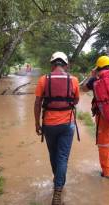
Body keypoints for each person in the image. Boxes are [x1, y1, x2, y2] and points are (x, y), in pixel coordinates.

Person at [34, 51, 79, 205]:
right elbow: (76, 100)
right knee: (62, 158)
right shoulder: (73, 80)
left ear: (52, 65)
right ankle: (58, 190)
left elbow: (37, 103)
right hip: (67, 124)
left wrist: (36, 123)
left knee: (54, 155)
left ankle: (58, 182)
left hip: (49, 124)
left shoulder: (43, 80)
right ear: (65, 65)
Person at [81, 56, 109, 178]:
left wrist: (92, 75)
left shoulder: (95, 79)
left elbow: (83, 89)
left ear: (98, 67)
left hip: (103, 117)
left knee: (104, 144)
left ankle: (107, 172)